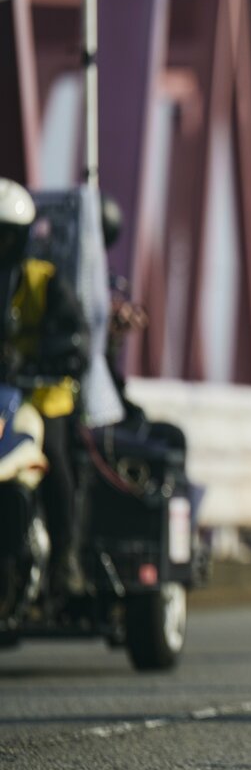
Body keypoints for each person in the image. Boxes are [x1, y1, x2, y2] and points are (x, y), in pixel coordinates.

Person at [0, 178, 91, 595]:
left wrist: (44, 356)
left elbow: (76, 336)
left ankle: (64, 559)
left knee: (52, 456)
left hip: (42, 395)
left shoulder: (45, 280)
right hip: (3, 396)